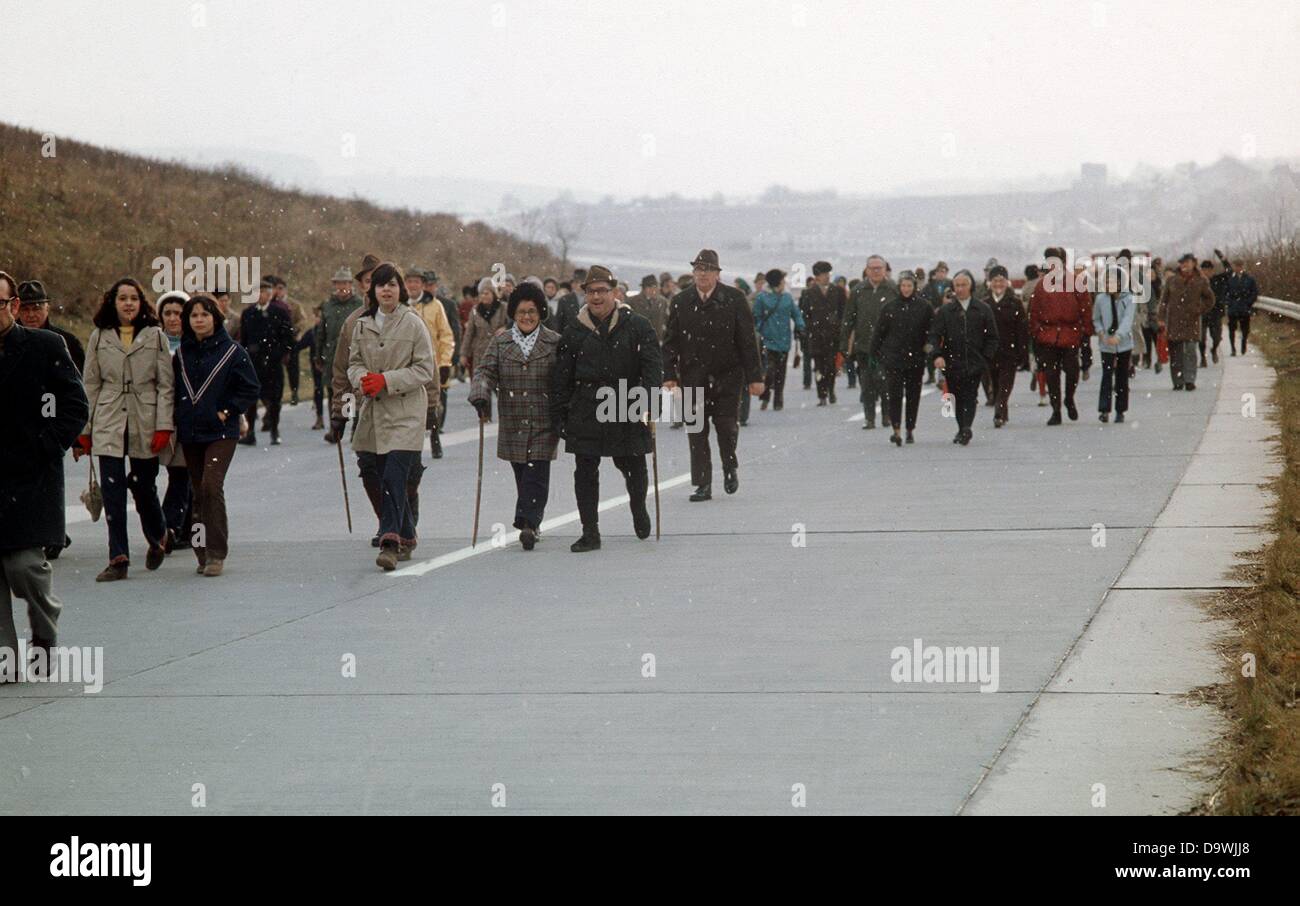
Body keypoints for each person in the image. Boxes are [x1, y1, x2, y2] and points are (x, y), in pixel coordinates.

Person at [0, 283, 87, 680]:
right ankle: (5, 660)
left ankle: (44, 632)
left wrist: (46, 445)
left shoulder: (45, 346)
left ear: (13, 306)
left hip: (31, 474)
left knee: (24, 566)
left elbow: (75, 405)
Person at [551, 265, 662, 551]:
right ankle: (590, 532)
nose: (597, 297)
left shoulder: (637, 325)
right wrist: (561, 412)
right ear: (584, 294)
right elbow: (562, 374)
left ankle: (638, 508)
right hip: (586, 406)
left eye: (602, 291)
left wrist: (649, 401)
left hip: (625, 402)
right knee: (585, 470)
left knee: (633, 464)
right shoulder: (574, 330)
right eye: (591, 292)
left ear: (615, 293)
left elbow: (652, 367)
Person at [77, 277, 175, 581]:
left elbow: (166, 385)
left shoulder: (155, 336)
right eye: (122, 298)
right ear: (113, 302)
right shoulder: (99, 336)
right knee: (113, 491)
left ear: (141, 303)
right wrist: (85, 429)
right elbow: (90, 384)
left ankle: (159, 534)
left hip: (145, 417)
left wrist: (164, 425)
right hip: (108, 417)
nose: (128, 303)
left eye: (133, 298)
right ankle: (118, 557)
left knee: (144, 487)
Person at [346, 263, 436, 571]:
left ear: (401, 290)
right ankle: (408, 534)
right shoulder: (362, 324)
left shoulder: (413, 324)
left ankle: (390, 540)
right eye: (381, 285)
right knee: (382, 471)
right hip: (375, 412)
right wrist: (362, 380)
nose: (386, 290)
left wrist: (388, 380)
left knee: (395, 474)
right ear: (372, 291)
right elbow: (353, 362)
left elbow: (425, 369)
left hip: (407, 411)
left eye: (392, 285)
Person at [661, 250, 763, 502]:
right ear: (693, 273)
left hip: (727, 375)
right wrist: (669, 373)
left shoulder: (735, 298)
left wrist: (755, 377)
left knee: (726, 427)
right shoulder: (681, 301)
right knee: (696, 431)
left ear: (717, 274)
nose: (703, 273)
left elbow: (748, 341)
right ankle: (703, 483)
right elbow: (671, 341)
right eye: (698, 269)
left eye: (708, 269)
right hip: (693, 376)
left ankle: (729, 466)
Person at [468, 283, 561, 550]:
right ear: (513, 314)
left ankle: (528, 523)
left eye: (532, 311)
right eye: (521, 312)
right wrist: (480, 395)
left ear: (541, 312)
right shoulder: (501, 342)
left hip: (544, 420)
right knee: (522, 472)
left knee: (537, 472)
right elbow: (484, 373)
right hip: (513, 421)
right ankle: (530, 518)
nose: (527, 317)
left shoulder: (554, 342)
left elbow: (566, 380)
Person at [173, 295, 261, 577]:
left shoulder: (233, 352)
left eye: (205, 315)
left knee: (211, 485)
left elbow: (250, 388)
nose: (199, 320)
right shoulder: (182, 355)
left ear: (215, 318)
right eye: (194, 315)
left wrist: (227, 411)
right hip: (190, 431)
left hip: (222, 431)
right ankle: (201, 551)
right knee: (197, 493)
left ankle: (216, 552)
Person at [928, 270, 998, 445]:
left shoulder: (982, 309)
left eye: (963, 285)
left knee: (970, 394)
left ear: (971, 286)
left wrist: (986, 357)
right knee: (956, 395)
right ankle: (961, 428)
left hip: (975, 360)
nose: (960, 289)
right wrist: (936, 355)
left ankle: (966, 427)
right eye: (957, 285)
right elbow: (934, 335)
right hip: (952, 360)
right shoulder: (946, 311)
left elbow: (992, 336)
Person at [1029, 247, 1091, 425]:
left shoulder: (1076, 282)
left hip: (1070, 333)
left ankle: (1069, 398)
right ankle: (1056, 409)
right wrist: (1036, 332)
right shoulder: (1041, 286)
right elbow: (1034, 312)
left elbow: (1085, 308)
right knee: (1051, 374)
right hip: (1048, 336)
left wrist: (1085, 332)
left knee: (1072, 371)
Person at [870, 271, 932, 445]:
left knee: (913, 395)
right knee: (894, 395)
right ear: (899, 287)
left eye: (909, 286)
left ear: (914, 287)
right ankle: (896, 429)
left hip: (916, 358)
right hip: (893, 358)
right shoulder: (889, 307)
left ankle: (910, 428)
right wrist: (873, 354)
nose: (906, 289)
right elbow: (879, 333)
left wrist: (929, 348)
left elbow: (930, 331)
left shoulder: (924, 307)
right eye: (903, 286)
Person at [840, 255, 898, 428]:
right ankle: (869, 417)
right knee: (866, 384)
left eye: (879, 268)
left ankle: (887, 414)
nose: (876, 271)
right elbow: (848, 319)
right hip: (864, 345)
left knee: (885, 382)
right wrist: (844, 345)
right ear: (866, 270)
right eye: (872, 268)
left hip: (887, 346)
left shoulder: (893, 289)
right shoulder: (858, 291)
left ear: (885, 269)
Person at [156, 290, 193, 552]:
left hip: (189, 417)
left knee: (182, 472)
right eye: (167, 313)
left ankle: (169, 525)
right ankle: (181, 526)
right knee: (176, 472)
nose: (172, 319)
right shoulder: (153, 344)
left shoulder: (196, 344)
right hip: (160, 416)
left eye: (178, 313)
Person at [238, 278, 295, 445]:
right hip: (253, 364)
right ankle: (250, 433)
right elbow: (244, 339)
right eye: (259, 292)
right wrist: (247, 353)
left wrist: (278, 353)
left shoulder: (280, 312)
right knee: (251, 398)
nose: (263, 296)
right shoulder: (248, 314)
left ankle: (274, 430)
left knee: (275, 398)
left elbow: (288, 339)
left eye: (266, 292)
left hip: (273, 363)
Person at [407, 268, 454, 458]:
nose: (412, 285)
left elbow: (446, 335)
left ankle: (435, 439)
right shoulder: (401, 306)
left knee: (432, 406)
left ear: (422, 284)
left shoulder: (435, 306)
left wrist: (445, 362)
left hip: (431, 363)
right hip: (409, 365)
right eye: (409, 281)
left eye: (416, 282)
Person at [1157, 253, 1215, 391]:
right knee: (1175, 352)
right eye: (1182, 263)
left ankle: (1190, 380)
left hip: (1192, 321)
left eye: (1187, 262)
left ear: (1194, 263)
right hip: (1174, 320)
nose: (1184, 265)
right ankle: (1177, 380)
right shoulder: (1172, 280)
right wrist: (1161, 318)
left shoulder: (1201, 280)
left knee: (1190, 350)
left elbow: (1210, 299)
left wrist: (1199, 309)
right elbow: (1164, 301)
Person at [320, 265, 364, 443]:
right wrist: (318, 354)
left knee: (355, 391)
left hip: (353, 353)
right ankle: (337, 426)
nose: (342, 287)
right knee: (336, 391)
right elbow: (321, 332)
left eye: (345, 283)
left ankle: (355, 425)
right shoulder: (328, 306)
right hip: (332, 354)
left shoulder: (359, 304)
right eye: (338, 283)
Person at [752, 268, 805, 412]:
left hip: (784, 341)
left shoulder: (787, 298)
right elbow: (755, 316)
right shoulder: (762, 298)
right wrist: (759, 330)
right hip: (768, 340)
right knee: (770, 370)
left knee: (781, 372)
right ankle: (765, 395)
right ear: (777, 282)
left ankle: (778, 399)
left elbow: (796, 314)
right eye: (782, 280)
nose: (784, 283)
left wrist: (800, 326)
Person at [983, 266, 1029, 428]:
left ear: (1007, 282)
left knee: (1006, 383)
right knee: (995, 384)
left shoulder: (1014, 303)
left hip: (1009, 351)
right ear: (989, 283)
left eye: (1001, 281)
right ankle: (1002, 409)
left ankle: (999, 413)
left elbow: (1022, 330)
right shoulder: (984, 303)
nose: (998, 284)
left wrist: (1023, 352)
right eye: (995, 281)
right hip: (990, 352)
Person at [461, 278, 510, 418]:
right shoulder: (475, 311)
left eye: (487, 293)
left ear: (494, 294)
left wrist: (505, 328)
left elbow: (513, 325)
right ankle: (484, 416)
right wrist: (464, 354)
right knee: (482, 388)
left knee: (502, 388)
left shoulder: (503, 308)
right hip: (480, 355)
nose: (484, 296)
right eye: (482, 293)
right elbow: (469, 334)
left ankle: (506, 415)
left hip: (501, 353)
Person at [799, 261, 847, 405]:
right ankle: (822, 394)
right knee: (819, 367)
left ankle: (831, 390)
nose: (827, 277)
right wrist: (809, 329)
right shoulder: (808, 293)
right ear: (817, 276)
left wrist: (840, 326)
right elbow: (805, 314)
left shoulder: (838, 292)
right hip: (816, 336)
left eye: (828, 274)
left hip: (833, 335)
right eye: (824, 274)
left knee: (831, 366)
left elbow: (843, 312)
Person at [1093, 267, 1135, 423]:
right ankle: (1104, 409)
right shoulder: (1100, 299)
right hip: (1106, 344)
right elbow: (1096, 318)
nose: (1109, 284)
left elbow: (1127, 320)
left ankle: (1120, 410)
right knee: (1106, 375)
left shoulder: (1129, 298)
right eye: (1107, 281)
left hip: (1123, 343)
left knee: (1122, 377)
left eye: (1112, 281)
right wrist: (1101, 332)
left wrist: (1119, 336)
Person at [15, 280, 84, 374]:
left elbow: (79, 381)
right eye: (25, 309)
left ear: (47, 309)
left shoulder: (68, 342)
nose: (31, 314)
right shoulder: (8, 341)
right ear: (17, 311)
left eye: (36, 309)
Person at [1224, 256, 1259, 355]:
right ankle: (1233, 348)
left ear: (1243, 267)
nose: (1238, 268)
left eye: (1240, 266)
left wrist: (1249, 302)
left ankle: (1243, 344)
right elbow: (1225, 292)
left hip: (1244, 307)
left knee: (1245, 329)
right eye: (1236, 266)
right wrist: (1228, 302)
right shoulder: (1230, 279)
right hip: (1233, 308)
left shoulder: (1249, 279)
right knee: (1232, 329)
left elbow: (1254, 292)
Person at [1198, 258, 1228, 366]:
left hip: (1216, 313)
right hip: (1201, 313)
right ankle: (1202, 358)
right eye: (1204, 270)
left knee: (1217, 337)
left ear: (1212, 270)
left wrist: (1223, 259)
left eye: (1208, 270)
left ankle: (1214, 349)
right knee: (1201, 338)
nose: (1206, 272)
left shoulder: (1218, 279)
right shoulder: (1197, 281)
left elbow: (1229, 272)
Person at [628, 274, 669, 339]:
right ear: (645, 288)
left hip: (657, 340)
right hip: (637, 340)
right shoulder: (632, 301)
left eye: (656, 287)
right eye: (653, 287)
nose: (656, 290)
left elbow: (667, 321)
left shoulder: (663, 302)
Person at [549, 268, 585, 335]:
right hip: (568, 339)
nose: (578, 285)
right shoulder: (564, 300)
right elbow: (558, 323)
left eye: (581, 282)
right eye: (576, 282)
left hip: (588, 340)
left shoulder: (591, 299)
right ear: (572, 283)